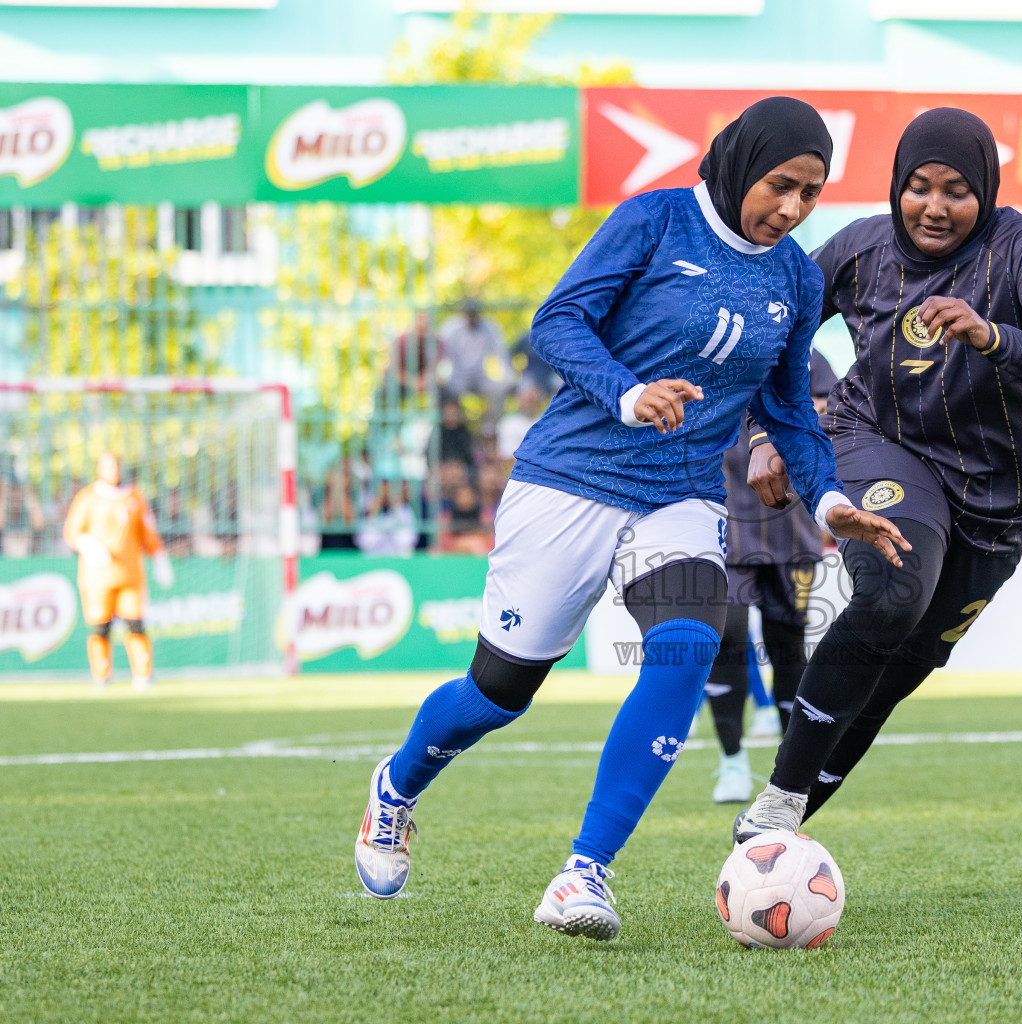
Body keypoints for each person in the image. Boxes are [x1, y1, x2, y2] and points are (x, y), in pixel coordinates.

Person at [350, 97, 909, 940]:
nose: (792, 209)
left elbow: (790, 407)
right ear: (738, 165)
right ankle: (394, 787)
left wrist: (832, 502)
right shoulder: (654, 220)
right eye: (780, 185)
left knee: (685, 653)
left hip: (682, 496)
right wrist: (630, 391)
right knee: (499, 693)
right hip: (568, 480)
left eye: (811, 194)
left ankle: (584, 875)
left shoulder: (795, 276)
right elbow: (556, 322)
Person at [733, 108, 1022, 841]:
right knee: (892, 591)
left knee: (895, 674)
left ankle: (768, 839)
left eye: (956, 190)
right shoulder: (859, 249)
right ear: (894, 187)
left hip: (999, 503)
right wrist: (764, 434)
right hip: (880, 441)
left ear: (987, 193)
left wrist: (995, 336)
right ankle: (779, 805)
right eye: (917, 187)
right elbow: (769, 335)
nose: (934, 206)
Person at [704, 347, 837, 804]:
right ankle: (732, 762)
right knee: (727, 638)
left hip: (790, 526)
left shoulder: (806, 357)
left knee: (787, 649)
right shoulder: (705, 349)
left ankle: (787, 774)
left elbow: (829, 412)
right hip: (722, 525)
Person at [62, 453, 174, 688]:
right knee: (101, 626)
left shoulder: (134, 497)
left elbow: (148, 533)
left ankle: (143, 673)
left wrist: (160, 559)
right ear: (99, 469)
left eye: (116, 465)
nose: (113, 470)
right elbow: (72, 532)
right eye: (107, 466)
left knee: (135, 623)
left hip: (130, 575)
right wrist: (87, 544)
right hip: (97, 577)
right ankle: (101, 674)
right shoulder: (88, 498)